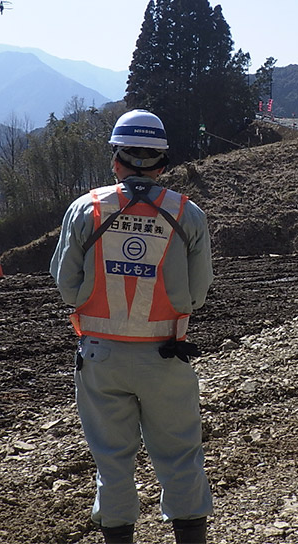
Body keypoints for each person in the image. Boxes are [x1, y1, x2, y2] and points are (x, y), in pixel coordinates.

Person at [50, 109, 214, 544]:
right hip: (165, 355)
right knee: (180, 456)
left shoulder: (86, 209)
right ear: (162, 161)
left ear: (115, 159)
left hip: (100, 357)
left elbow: (67, 287)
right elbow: (197, 294)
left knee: (112, 461)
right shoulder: (187, 213)